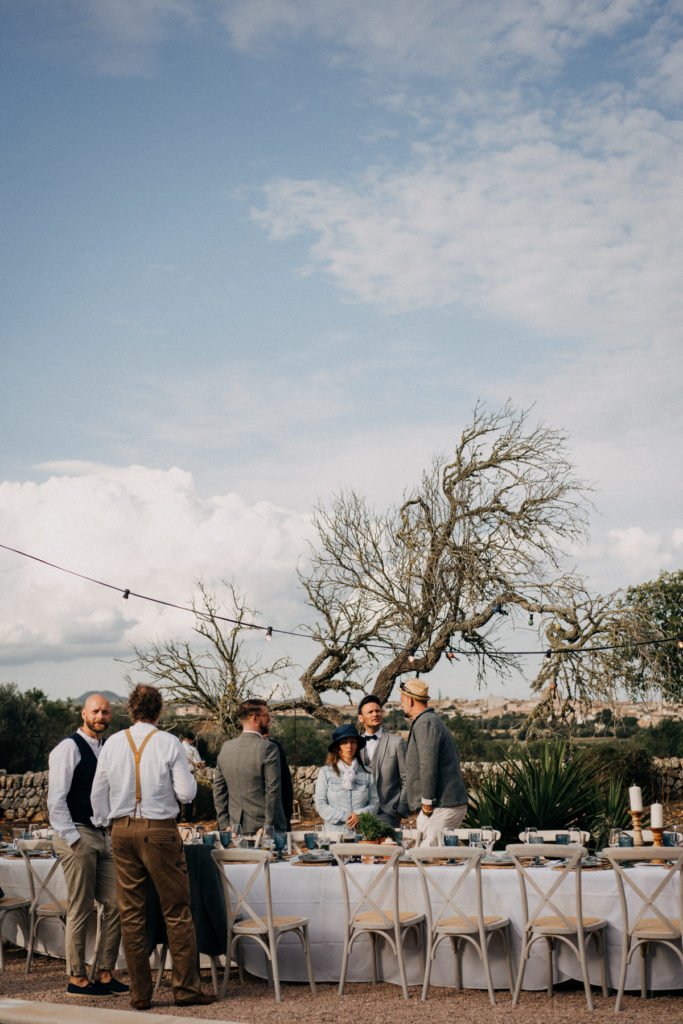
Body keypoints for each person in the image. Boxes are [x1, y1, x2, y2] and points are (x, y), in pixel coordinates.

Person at [91, 684, 214, 1011]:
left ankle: (140, 994)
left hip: (121, 831)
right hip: (160, 831)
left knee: (131, 913)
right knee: (176, 910)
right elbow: (187, 793)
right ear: (159, 711)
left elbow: (97, 795)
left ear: (130, 710)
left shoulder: (112, 744)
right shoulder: (168, 742)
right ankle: (185, 989)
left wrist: (108, 821)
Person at [47, 693, 127, 998]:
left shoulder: (108, 748)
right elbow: (56, 799)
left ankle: (105, 973)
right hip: (78, 833)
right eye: (96, 711)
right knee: (81, 908)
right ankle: (77, 978)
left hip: (105, 834)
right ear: (84, 714)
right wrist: (72, 838)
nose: (101, 716)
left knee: (117, 903)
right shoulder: (68, 748)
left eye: (106, 712)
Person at [399, 678, 468, 846]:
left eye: (401, 700)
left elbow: (428, 764)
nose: (401, 705)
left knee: (426, 857)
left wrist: (427, 802)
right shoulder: (428, 721)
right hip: (440, 805)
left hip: (442, 804)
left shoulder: (426, 722)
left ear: (410, 699)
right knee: (430, 856)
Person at [213, 698, 287, 834]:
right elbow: (273, 790)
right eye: (266, 715)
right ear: (255, 718)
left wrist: (224, 824)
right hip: (264, 829)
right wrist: (268, 826)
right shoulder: (268, 748)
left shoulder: (226, 747)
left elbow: (218, 790)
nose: (269, 719)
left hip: (235, 827)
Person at [314, 724, 379, 830]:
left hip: (362, 833)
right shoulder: (326, 773)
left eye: (353, 742)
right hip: (334, 834)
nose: (349, 746)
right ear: (338, 747)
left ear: (357, 745)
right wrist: (345, 817)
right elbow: (321, 805)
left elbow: (375, 803)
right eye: (344, 742)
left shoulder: (367, 773)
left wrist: (359, 815)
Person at [357, 694, 407, 828]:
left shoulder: (397, 743)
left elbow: (406, 778)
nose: (375, 714)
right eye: (370, 712)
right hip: (360, 812)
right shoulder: (355, 744)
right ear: (361, 718)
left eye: (378, 711)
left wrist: (400, 810)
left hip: (388, 812)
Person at [179, 733, 204, 823]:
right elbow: (199, 764)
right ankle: (187, 818)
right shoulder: (192, 749)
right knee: (189, 796)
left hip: (176, 774)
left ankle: (179, 818)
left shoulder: (176, 747)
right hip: (189, 774)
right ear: (190, 740)